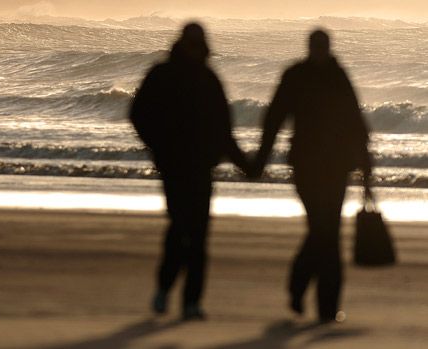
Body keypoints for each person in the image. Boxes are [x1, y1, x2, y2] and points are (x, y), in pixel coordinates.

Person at [130, 23, 250, 320]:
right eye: (191, 43)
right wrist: (158, 147)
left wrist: (247, 164)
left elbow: (224, 129)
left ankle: (191, 302)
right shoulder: (162, 74)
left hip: (200, 167)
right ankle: (166, 287)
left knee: (198, 234)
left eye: (198, 44)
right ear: (183, 44)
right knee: (181, 227)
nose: (195, 49)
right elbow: (138, 115)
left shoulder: (208, 78)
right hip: (173, 166)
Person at [253, 29, 372, 323]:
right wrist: (259, 160)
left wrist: (367, 171)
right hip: (307, 167)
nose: (320, 50)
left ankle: (318, 301)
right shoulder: (297, 75)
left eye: (323, 46)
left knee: (327, 231)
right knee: (324, 230)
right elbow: (274, 119)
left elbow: (356, 124)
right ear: (310, 47)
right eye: (316, 46)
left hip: (335, 167)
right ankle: (310, 295)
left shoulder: (337, 76)